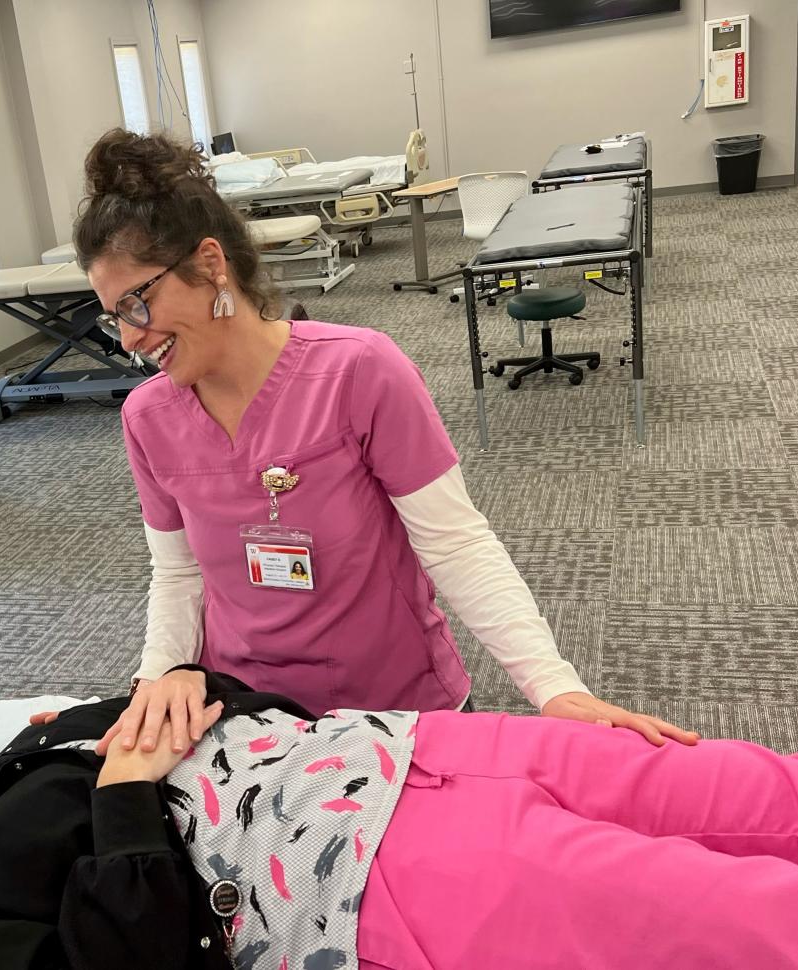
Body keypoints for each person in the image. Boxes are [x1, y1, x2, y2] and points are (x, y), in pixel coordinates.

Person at [72, 129, 696, 754]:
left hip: (397, 716)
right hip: (254, 724)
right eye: (112, 316)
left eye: (136, 304)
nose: (128, 339)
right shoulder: (148, 417)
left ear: (211, 264)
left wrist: (554, 687)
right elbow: (178, 572)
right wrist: (154, 685)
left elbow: (455, 544)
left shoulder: (357, 371)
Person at [0, 666, 798, 969]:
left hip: (422, 746)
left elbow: (238, 695)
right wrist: (127, 798)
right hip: (380, 872)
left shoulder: (30, 742)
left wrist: (187, 677)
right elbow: (124, 958)